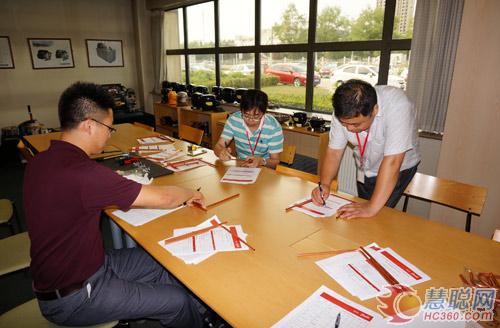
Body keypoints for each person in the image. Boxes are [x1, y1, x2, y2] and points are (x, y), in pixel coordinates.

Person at [23, 82, 208, 327]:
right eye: (109, 129)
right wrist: (188, 193)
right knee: (176, 301)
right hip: (74, 296)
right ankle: (191, 315)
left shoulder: (43, 159)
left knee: (164, 261)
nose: (110, 134)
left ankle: (199, 316)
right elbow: (165, 199)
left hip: (84, 265)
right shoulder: (83, 173)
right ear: (89, 125)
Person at [312, 79, 420, 219]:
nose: (350, 129)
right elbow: (334, 152)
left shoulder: (398, 105)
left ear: (375, 110)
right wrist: (325, 185)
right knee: (359, 214)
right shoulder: (344, 109)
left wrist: (371, 207)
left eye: (356, 124)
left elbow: (393, 161)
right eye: (345, 124)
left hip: (398, 167)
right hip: (366, 164)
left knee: (376, 214)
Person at [214, 89, 283, 169]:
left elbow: (275, 162)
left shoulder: (273, 127)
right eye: (246, 115)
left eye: (256, 116)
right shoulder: (234, 120)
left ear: (264, 113)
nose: (250, 119)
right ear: (241, 110)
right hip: (241, 166)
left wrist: (262, 161)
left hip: (264, 168)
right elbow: (218, 146)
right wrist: (220, 152)